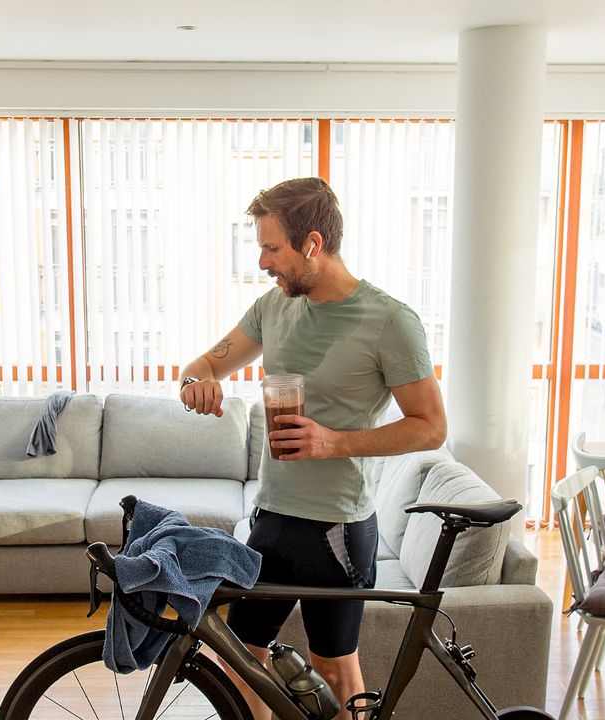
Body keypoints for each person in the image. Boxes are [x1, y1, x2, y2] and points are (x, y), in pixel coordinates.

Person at [179, 177, 447, 720]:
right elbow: (204, 362)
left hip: (336, 530)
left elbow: (431, 427)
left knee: (333, 668)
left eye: (271, 247)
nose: (262, 262)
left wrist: (334, 441)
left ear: (313, 245)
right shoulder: (272, 308)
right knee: (241, 659)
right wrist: (195, 382)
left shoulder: (390, 321)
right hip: (272, 517)